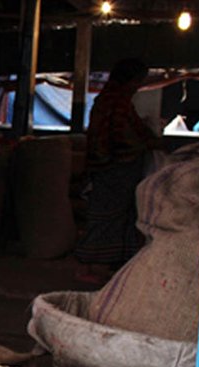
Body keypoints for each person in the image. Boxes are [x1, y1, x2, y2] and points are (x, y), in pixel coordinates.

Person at [75, 58, 164, 284]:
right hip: (113, 170)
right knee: (107, 217)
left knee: (109, 216)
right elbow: (121, 137)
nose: (138, 85)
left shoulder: (108, 101)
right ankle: (92, 266)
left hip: (107, 169)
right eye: (137, 80)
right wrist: (146, 144)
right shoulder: (116, 103)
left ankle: (98, 265)